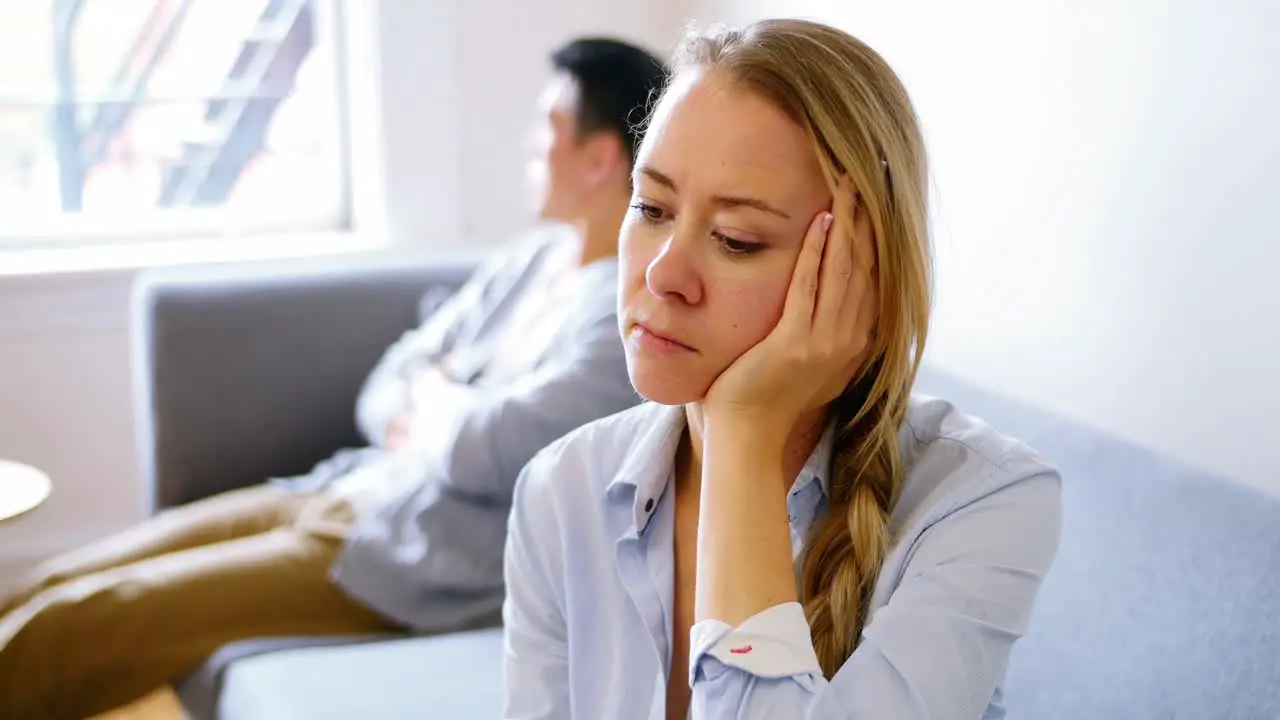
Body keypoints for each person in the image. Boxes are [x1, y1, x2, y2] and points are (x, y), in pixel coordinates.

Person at [0, 38, 666, 720]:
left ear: (600, 156)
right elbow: (389, 379)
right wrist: (442, 408)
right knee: (60, 577)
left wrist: (433, 402)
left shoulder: (618, 317)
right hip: (343, 487)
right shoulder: (528, 262)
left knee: (85, 620)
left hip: (409, 558)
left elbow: (484, 449)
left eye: (547, 127)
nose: (529, 146)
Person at [502, 19, 1063, 720]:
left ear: (861, 276)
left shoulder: (982, 501)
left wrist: (742, 437)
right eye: (650, 207)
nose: (662, 272)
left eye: (737, 240)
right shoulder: (561, 492)